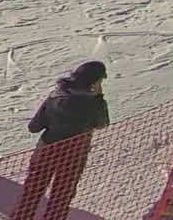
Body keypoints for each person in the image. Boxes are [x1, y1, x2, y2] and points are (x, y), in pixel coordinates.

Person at [10, 61, 109, 220]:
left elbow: (34, 127)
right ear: (95, 82)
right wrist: (99, 98)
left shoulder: (56, 95)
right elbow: (102, 124)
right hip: (74, 156)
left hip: (46, 151)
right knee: (61, 196)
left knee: (32, 191)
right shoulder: (95, 104)